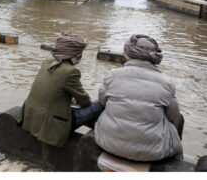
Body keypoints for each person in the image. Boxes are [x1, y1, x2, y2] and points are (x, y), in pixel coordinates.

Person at [94, 34, 184, 162]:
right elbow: (173, 116)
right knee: (179, 118)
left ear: (128, 53)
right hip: (152, 153)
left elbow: (102, 101)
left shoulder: (112, 75)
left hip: (107, 143)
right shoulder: (167, 82)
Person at [17, 33, 103, 147]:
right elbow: (85, 101)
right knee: (99, 104)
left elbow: (54, 89)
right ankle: (96, 138)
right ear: (77, 54)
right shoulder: (71, 71)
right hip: (51, 124)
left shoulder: (47, 61)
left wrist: (71, 98)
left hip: (32, 118)